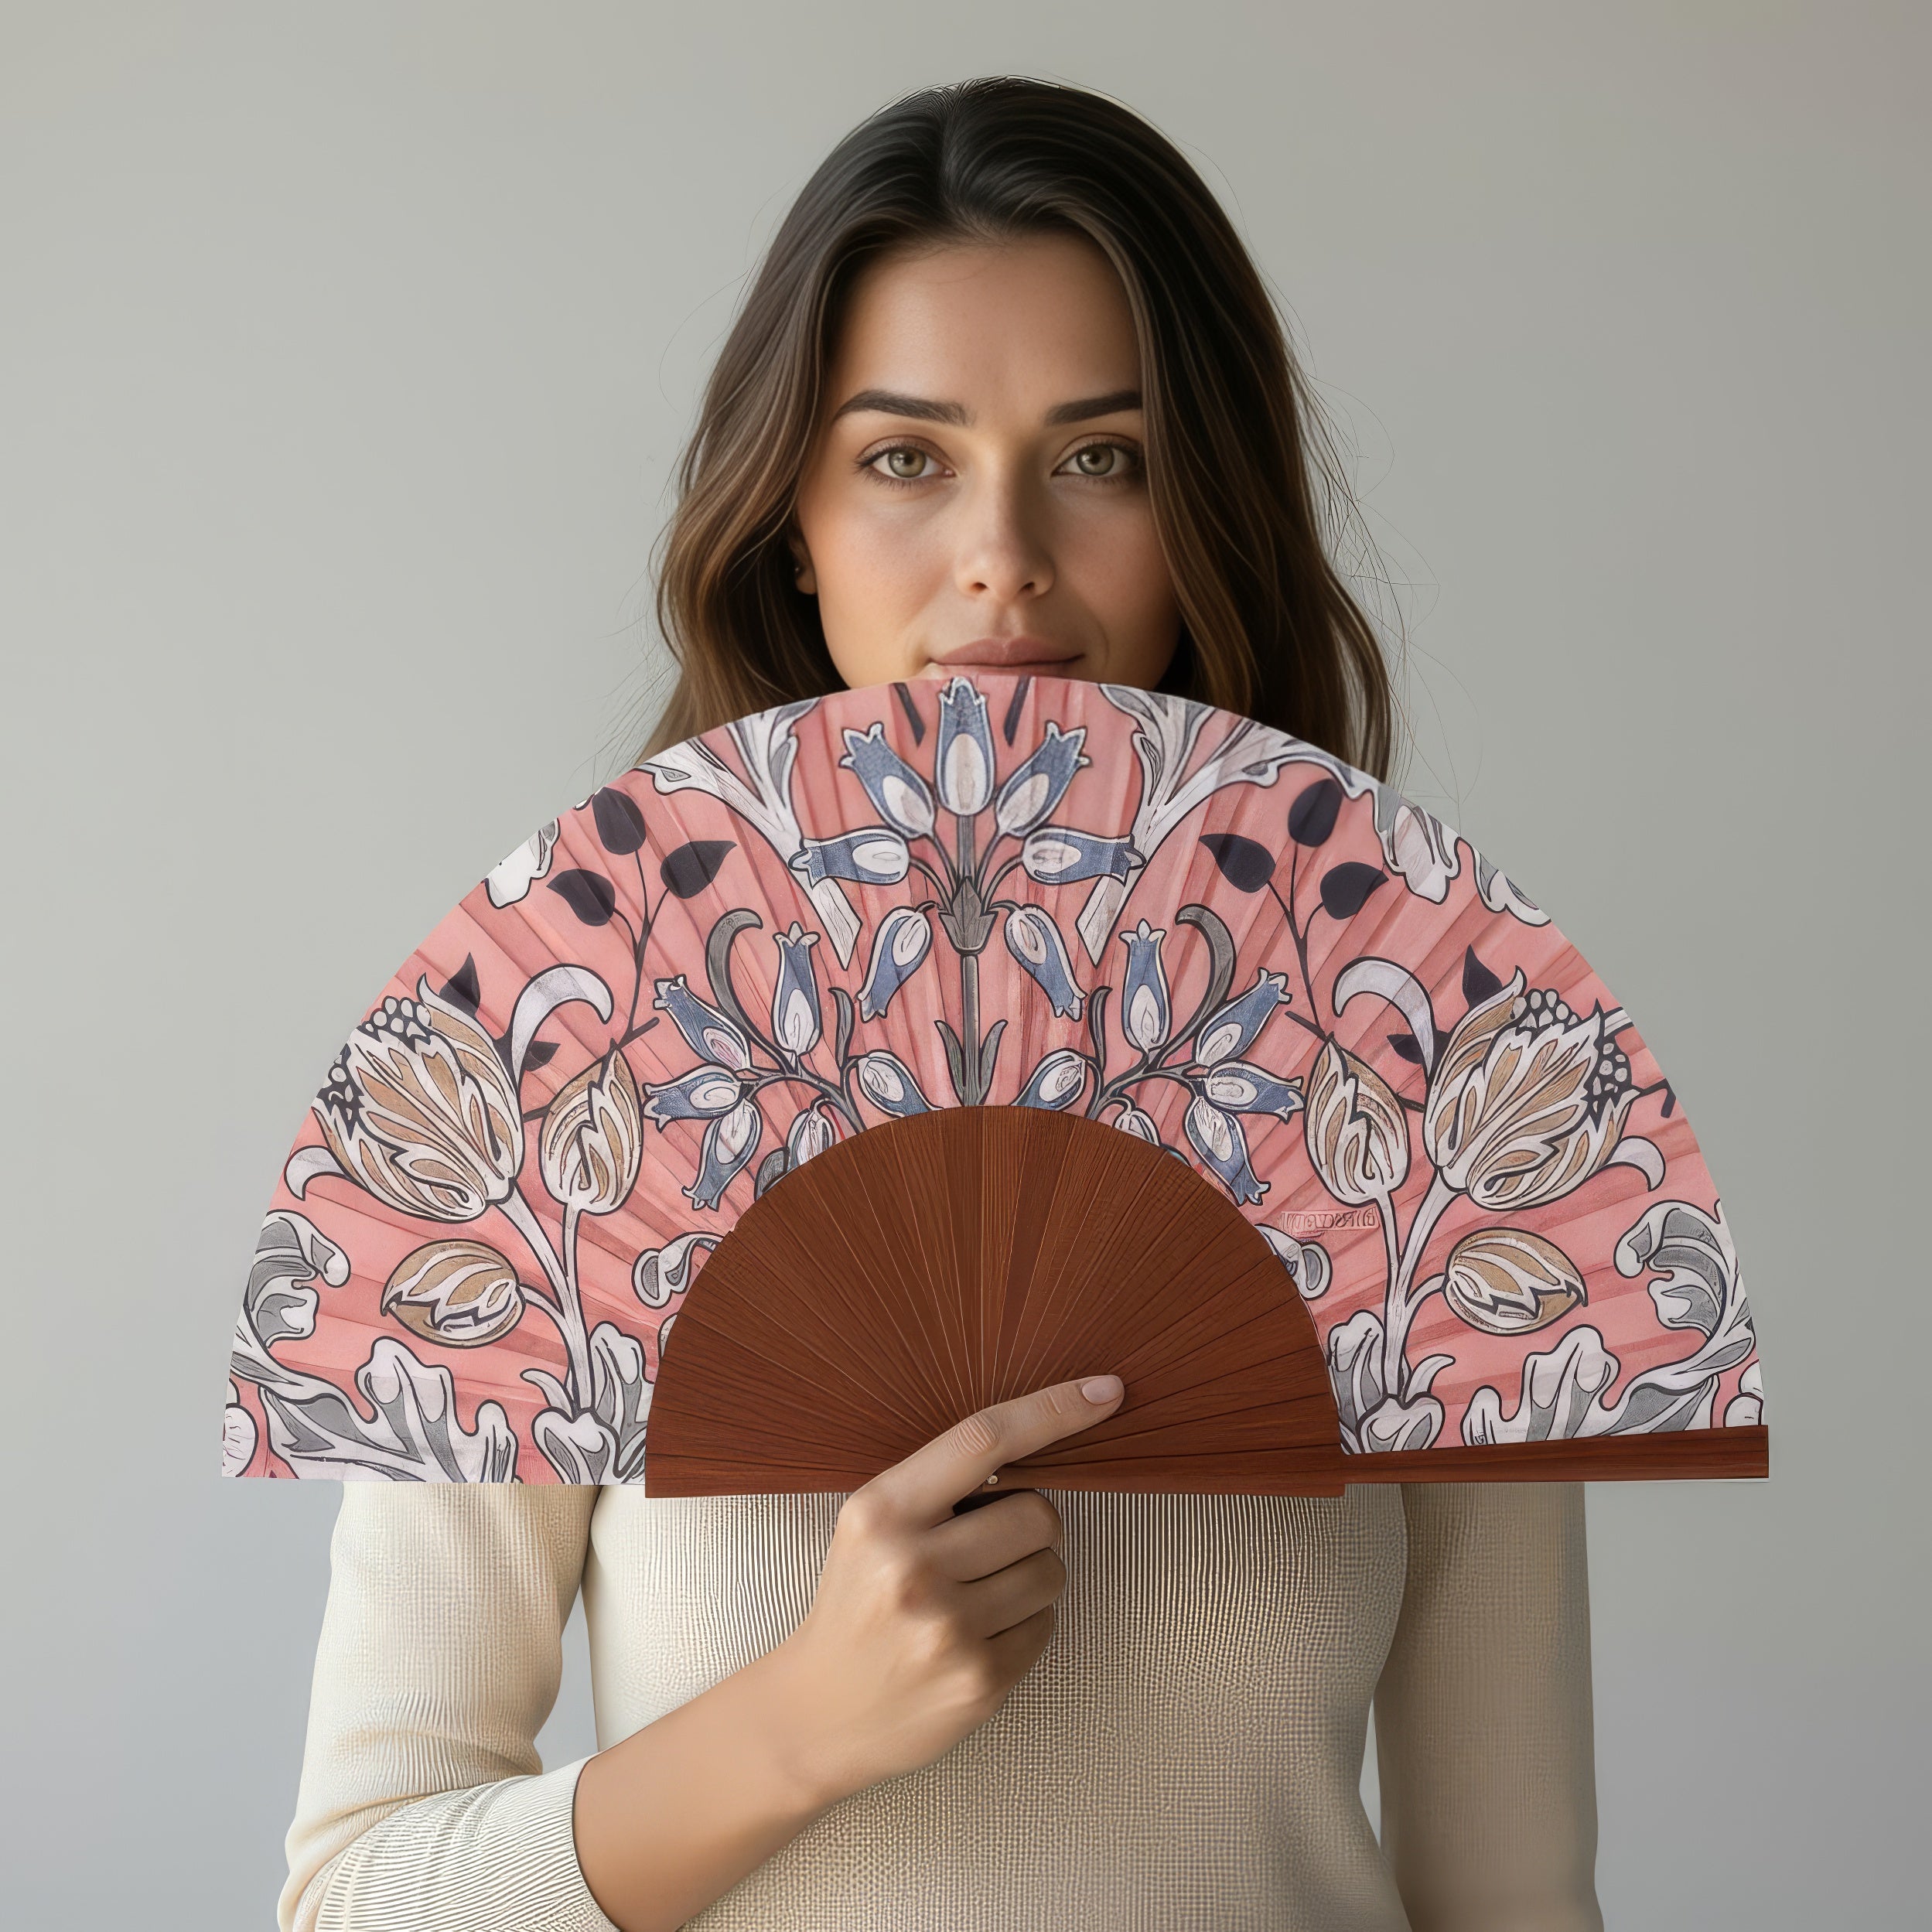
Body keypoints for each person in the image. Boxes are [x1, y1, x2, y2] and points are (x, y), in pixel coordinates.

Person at [279, 77, 1602, 1932]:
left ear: (1205, 505)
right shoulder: (552, 1082)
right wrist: (796, 1727)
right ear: (790, 523)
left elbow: (1517, 1902)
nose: (1004, 556)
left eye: (1104, 456)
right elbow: (353, 1900)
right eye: (905, 456)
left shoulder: (1421, 1095)